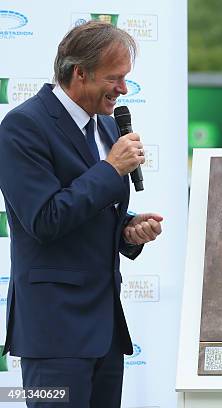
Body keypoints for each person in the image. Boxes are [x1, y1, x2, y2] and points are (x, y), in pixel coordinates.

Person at [0, 21, 162, 407]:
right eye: (115, 78)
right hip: (54, 335)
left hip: (105, 332)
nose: (123, 90)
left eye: (126, 79)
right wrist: (109, 170)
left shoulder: (106, 126)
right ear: (79, 73)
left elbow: (92, 208)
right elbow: (44, 219)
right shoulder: (22, 127)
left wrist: (127, 230)